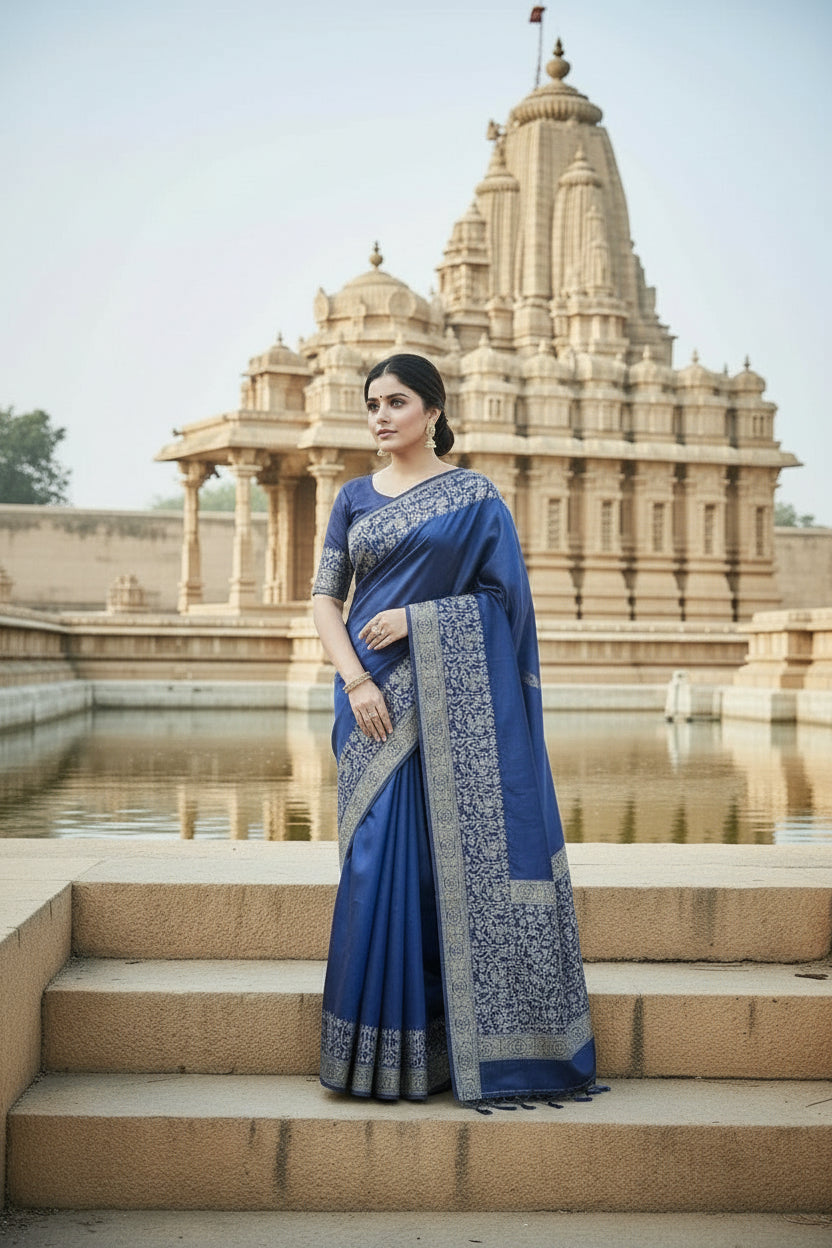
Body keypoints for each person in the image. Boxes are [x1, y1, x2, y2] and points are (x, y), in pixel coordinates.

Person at [311, 352, 597, 1108]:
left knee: (441, 873)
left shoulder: (474, 498)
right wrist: (356, 678)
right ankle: (371, 1057)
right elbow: (322, 604)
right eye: (371, 402)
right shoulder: (350, 499)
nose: (380, 415)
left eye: (396, 401)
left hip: (446, 701)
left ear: (433, 411)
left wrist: (418, 618)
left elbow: (506, 611)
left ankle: (453, 1051)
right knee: (376, 864)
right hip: (369, 705)